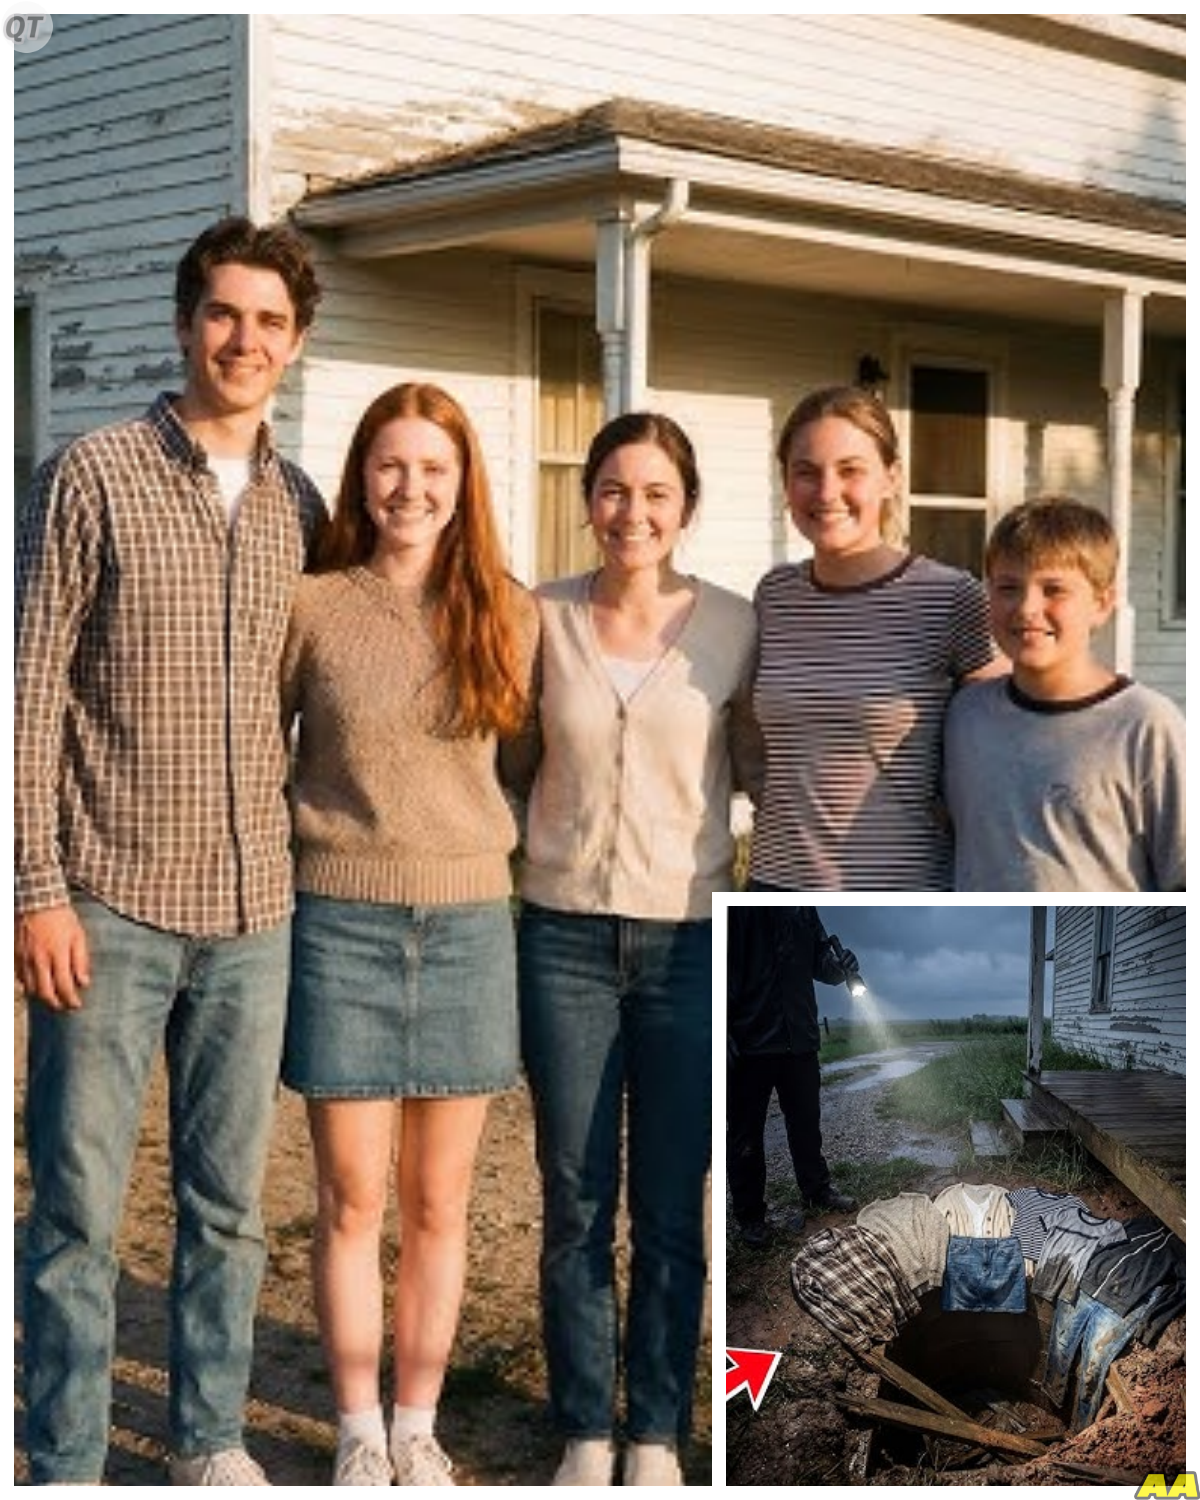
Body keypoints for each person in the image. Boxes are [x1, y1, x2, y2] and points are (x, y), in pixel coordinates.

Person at [15, 216, 325, 1486]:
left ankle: (207, 1439)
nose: (243, 340)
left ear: (295, 345)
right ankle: (65, 1452)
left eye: (269, 322)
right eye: (223, 313)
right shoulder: (91, 473)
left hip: (255, 914)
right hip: (110, 901)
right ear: (185, 320)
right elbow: (30, 692)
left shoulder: (304, 505)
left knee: (229, 1211)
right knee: (80, 1212)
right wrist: (36, 891)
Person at [279, 381, 539, 1486]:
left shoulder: (509, 612)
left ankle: (419, 1425)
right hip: (340, 921)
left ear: (463, 482)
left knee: (441, 1203)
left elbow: (522, 771)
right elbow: (262, 745)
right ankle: (356, 1430)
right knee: (351, 1199)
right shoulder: (314, 604)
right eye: (392, 465)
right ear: (362, 475)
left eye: (434, 469)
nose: (411, 489)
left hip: (471, 922)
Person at [510, 411, 761, 1487]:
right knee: (572, 1197)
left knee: (670, 1199)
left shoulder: (738, 628)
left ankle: (654, 1428)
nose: (633, 513)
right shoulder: (538, 617)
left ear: (686, 508)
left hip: (689, 939)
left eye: (656, 494)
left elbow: (758, 765)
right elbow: (510, 760)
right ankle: (583, 1427)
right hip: (560, 935)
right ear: (588, 499)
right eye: (614, 490)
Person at [747, 383, 1002, 891]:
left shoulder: (950, 597)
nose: (826, 492)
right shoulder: (775, 595)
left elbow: (1002, 740)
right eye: (806, 472)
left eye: (850, 470)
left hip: (897, 900)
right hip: (773, 890)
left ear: (892, 478)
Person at [945, 497, 1186, 890]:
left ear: (1102, 603)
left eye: (1053, 589)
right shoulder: (965, 717)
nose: (1027, 608)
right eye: (1008, 588)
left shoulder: (1147, 727)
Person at [726, 906, 861, 1249]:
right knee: (745, 1136)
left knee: (806, 1123)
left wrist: (839, 967)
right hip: (748, 1042)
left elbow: (820, 961)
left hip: (800, 1038)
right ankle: (751, 1217)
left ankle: (816, 1191)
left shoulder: (801, 906)